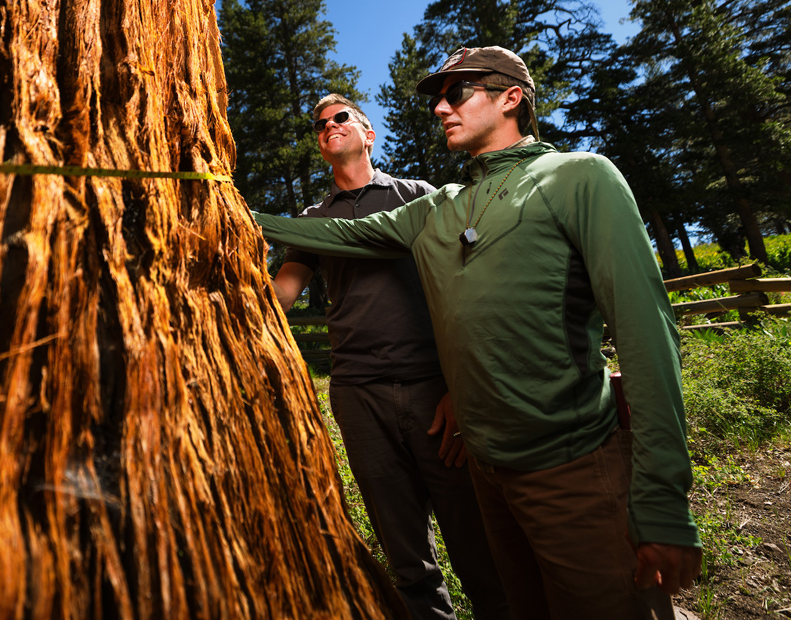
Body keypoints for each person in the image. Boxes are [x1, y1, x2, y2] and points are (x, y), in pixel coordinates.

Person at [254, 47, 701, 620]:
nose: (440, 108)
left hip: (571, 468)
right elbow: (337, 235)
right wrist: (224, 198)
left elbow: (646, 335)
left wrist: (663, 499)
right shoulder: (441, 207)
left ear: (511, 97)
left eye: (456, 93)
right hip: (486, 474)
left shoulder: (578, 177)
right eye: (438, 98)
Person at [272, 95, 510, 620]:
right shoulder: (312, 220)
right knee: (404, 548)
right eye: (319, 125)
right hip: (359, 394)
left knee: (476, 538)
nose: (328, 127)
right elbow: (281, 294)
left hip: (434, 389)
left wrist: (457, 386)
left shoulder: (416, 196)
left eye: (340, 118)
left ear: (368, 132)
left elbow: (466, 282)